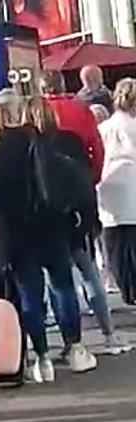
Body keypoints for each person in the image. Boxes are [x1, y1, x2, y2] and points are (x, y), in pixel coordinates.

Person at [0, 102, 97, 382]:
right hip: (51, 224)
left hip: (14, 231)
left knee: (30, 293)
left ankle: (40, 358)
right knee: (63, 286)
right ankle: (74, 346)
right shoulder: (33, 139)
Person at [23, 99, 132, 356]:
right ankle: (100, 335)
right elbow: (92, 164)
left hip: (39, 221)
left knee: (53, 283)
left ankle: (48, 348)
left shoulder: (25, 146)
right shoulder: (70, 139)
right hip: (74, 215)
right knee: (87, 273)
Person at [98, 78, 136, 306]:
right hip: (133, 184)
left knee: (114, 244)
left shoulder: (104, 127)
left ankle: (126, 289)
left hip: (109, 185)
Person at [39, 70, 105, 180]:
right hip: (79, 173)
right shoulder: (81, 108)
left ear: (41, 88)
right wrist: (95, 175)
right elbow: (96, 146)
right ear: (63, 85)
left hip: (46, 178)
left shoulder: (37, 111)